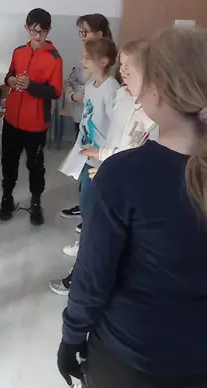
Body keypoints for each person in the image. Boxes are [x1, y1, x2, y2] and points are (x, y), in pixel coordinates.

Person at [57, 27, 207, 388]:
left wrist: (72, 336)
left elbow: (93, 278)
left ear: (158, 91)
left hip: (134, 356)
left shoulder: (124, 174)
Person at [50, 39, 157, 296]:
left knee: (105, 236)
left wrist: (108, 164)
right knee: (95, 225)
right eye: (123, 65)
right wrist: (103, 156)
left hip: (121, 182)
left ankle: (85, 281)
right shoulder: (126, 97)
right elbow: (120, 142)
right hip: (108, 168)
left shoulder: (152, 112)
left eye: (130, 67)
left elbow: (139, 156)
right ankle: (84, 276)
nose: (123, 71)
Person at [0, 8, 63, 226]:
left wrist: (31, 86)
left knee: (35, 166)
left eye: (42, 32)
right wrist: (10, 81)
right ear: (26, 29)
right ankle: (7, 198)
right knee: (9, 162)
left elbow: (55, 91)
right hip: (12, 119)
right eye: (34, 31)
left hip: (36, 123)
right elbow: (10, 74)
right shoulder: (18, 52)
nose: (38, 36)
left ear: (49, 31)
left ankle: (36, 202)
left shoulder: (55, 58)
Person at [59, 37, 119, 259]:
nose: (82, 61)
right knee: (86, 201)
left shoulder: (112, 89)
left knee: (94, 204)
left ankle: (89, 247)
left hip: (102, 158)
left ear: (103, 61)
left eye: (87, 57)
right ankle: (86, 243)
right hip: (86, 154)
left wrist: (106, 157)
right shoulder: (91, 85)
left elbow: (115, 126)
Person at [61, 13, 112, 220]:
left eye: (86, 32)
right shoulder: (87, 64)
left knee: (95, 177)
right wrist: (74, 94)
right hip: (84, 125)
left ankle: (91, 214)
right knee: (85, 173)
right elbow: (70, 81)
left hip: (100, 138)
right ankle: (85, 207)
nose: (82, 36)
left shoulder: (109, 77)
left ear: (99, 34)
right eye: (80, 32)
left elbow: (112, 119)